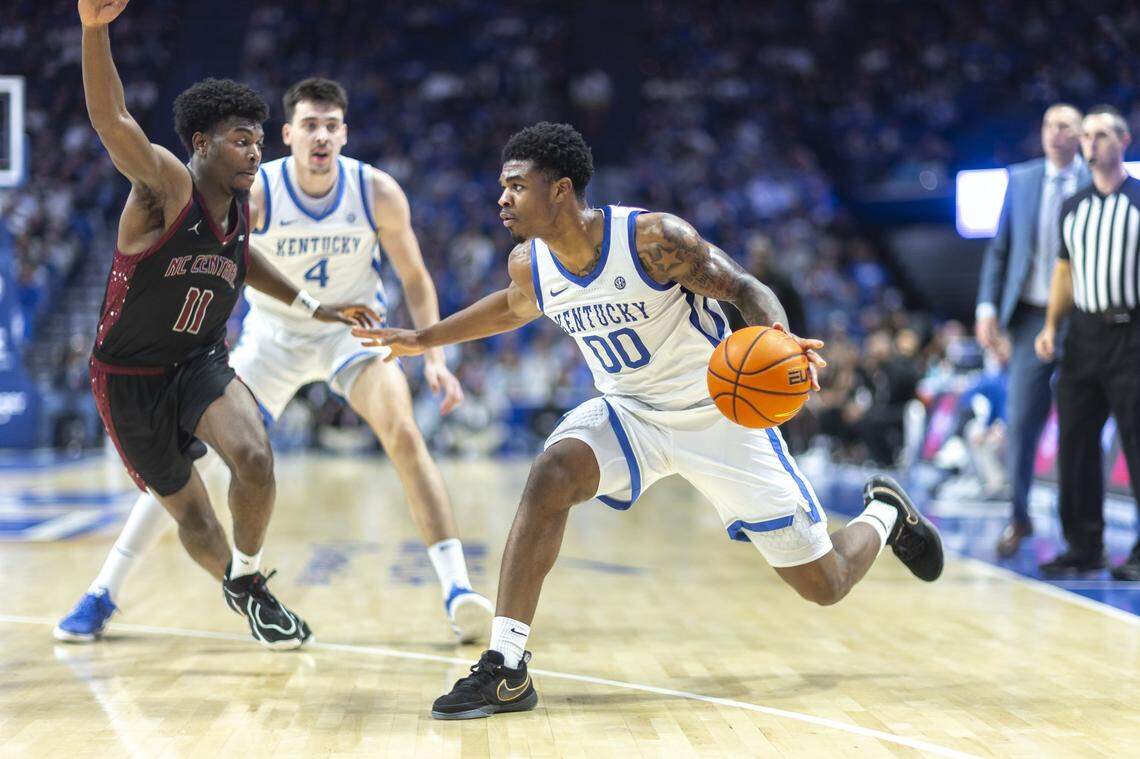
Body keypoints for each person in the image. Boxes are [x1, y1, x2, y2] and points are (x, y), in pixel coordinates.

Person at [355, 122, 944, 720]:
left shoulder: (652, 240)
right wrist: (424, 337)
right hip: (629, 413)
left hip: (721, 417)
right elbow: (510, 310)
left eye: (516, 186)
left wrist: (778, 337)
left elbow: (743, 286)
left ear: (560, 190)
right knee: (551, 473)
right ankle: (506, 667)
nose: (501, 199)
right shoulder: (530, 266)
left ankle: (886, 513)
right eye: (501, 187)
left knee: (826, 583)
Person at [55, 76, 495, 644]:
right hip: (273, 337)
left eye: (332, 125)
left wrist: (434, 356)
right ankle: (104, 589)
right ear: (290, 134)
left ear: (344, 134)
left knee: (404, 433)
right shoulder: (251, 188)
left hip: (347, 331)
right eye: (310, 125)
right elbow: (225, 245)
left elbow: (413, 275)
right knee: (200, 467)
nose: (321, 135)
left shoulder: (375, 190)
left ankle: (457, 589)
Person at [69, 0, 375, 649]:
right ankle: (247, 592)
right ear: (202, 143)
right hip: (129, 379)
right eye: (241, 139)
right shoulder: (165, 187)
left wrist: (316, 306)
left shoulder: (242, 208)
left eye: (259, 141)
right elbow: (111, 119)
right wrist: (95, 32)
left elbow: (245, 260)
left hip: (199, 360)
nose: (254, 151)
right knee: (194, 517)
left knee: (256, 457)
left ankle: (249, 575)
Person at [976, 104, 1088, 558]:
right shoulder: (1021, 180)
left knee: (1081, 424)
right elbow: (1000, 251)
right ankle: (1019, 516)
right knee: (1021, 422)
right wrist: (987, 308)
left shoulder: (1094, 182)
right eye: (1047, 124)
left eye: (1064, 126)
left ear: (1081, 136)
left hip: (1083, 318)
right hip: (1027, 317)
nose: (1053, 133)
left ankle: (1079, 528)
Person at [1035, 105, 1140, 581]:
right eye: (1087, 135)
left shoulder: (1138, 201)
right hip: (1083, 334)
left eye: (1101, 134)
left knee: (1136, 441)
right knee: (1075, 442)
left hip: (1131, 332)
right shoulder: (1073, 206)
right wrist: (1051, 328)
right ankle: (1084, 545)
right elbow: (1064, 271)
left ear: (1125, 142)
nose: (1090, 142)